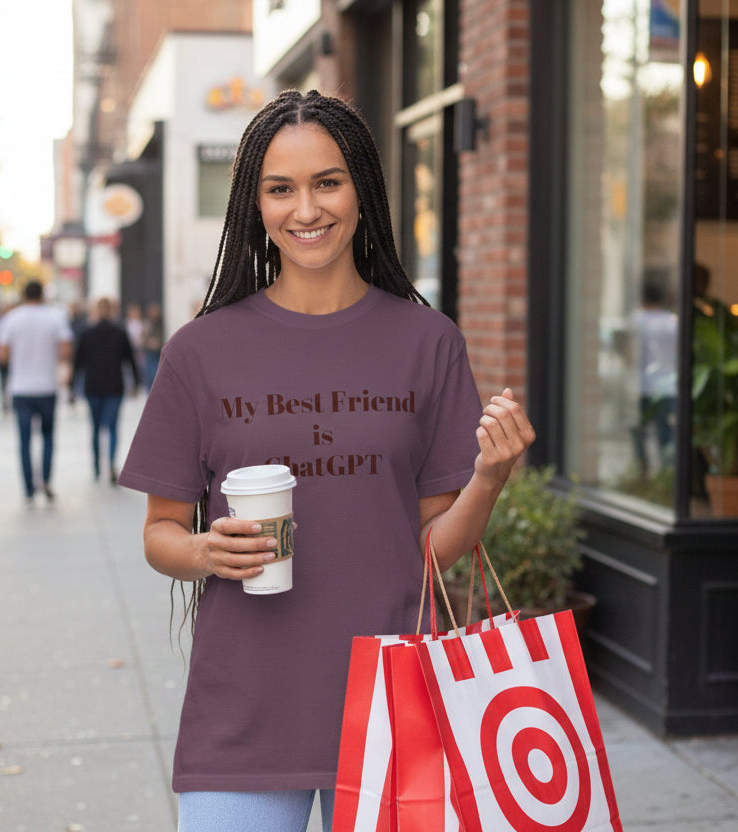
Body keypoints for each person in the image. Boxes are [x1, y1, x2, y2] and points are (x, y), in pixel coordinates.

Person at [116, 90, 535, 832]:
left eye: (327, 182)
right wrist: (205, 552)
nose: (305, 209)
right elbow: (160, 536)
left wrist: (489, 479)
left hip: (392, 703)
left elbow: (437, 548)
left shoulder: (428, 341)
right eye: (280, 189)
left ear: (362, 192)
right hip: (240, 714)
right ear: (257, 206)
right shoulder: (200, 352)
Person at [0, 280, 73, 503]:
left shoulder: (12, 319)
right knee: (48, 436)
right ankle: (46, 480)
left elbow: (2, 355)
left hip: (21, 388)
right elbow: (66, 350)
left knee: (24, 440)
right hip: (47, 386)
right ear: (42, 295)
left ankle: (28, 488)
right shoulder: (55, 317)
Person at [72, 296, 140, 481]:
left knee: (94, 428)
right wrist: (136, 383)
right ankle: (110, 463)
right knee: (112, 427)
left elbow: (78, 363)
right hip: (114, 386)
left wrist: (72, 387)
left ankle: (96, 467)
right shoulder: (119, 332)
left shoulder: (87, 333)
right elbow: (130, 360)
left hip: (93, 385)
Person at [629, 277, 679, 475]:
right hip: (667, 386)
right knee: (665, 435)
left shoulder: (637, 320)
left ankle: (643, 473)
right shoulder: (672, 321)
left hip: (643, 386)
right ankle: (666, 476)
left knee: (639, 433)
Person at [139, 302, 164, 392]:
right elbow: (142, 339)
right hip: (149, 353)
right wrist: (149, 343)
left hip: (159, 352)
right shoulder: (147, 324)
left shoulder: (162, 323)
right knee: (149, 376)